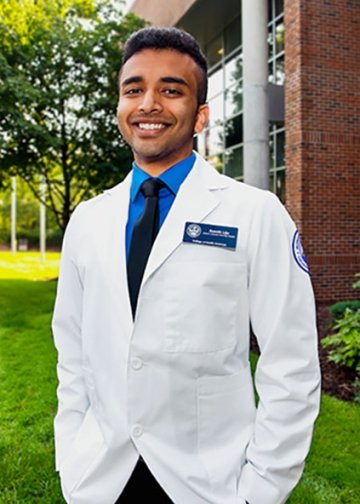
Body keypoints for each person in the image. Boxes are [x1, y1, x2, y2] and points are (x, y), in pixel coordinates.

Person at [52, 27, 321, 504]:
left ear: (200, 116)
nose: (149, 103)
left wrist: (259, 491)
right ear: (119, 106)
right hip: (101, 479)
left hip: (208, 485)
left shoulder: (255, 214)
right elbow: (72, 356)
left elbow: (292, 366)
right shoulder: (88, 221)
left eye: (170, 90)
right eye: (134, 89)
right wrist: (71, 458)